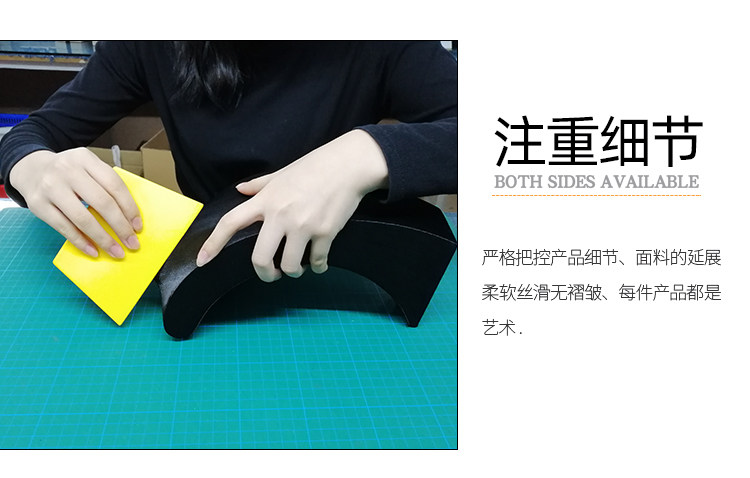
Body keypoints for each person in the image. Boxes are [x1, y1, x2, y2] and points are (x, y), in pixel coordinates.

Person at [0, 41, 457, 282]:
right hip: (202, 262)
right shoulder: (149, 38)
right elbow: (31, 134)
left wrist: (364, 152)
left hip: (332, 261)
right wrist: (32, 166)